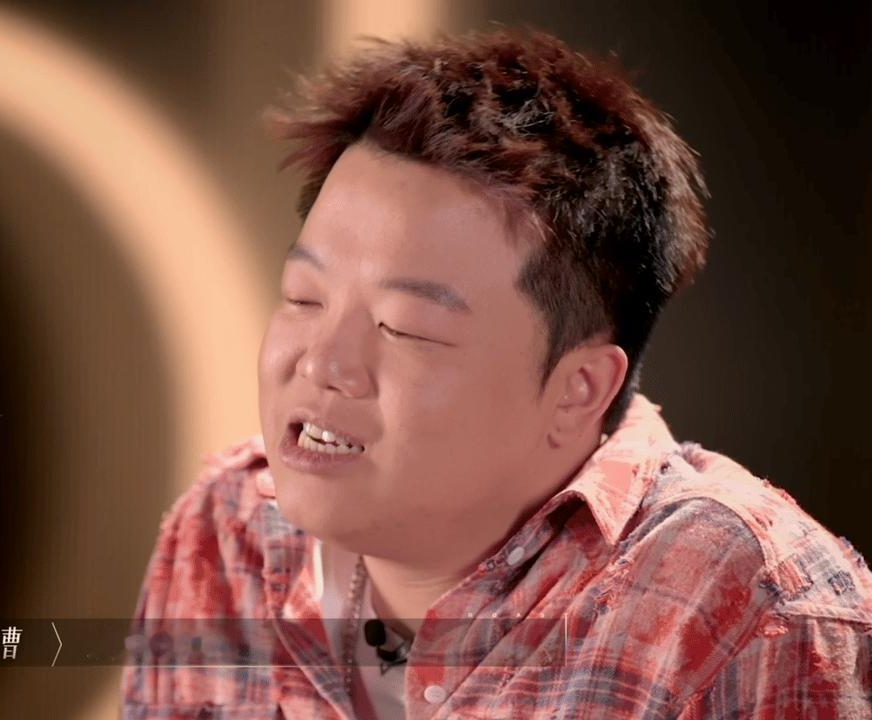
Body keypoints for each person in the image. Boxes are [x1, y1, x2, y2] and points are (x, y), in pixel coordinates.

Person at [120, 28, 872, 719]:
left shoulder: (749, 608)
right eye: (303, 297)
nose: (321, 362)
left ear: (579, 390)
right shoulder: (229, 531)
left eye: (404, 327)